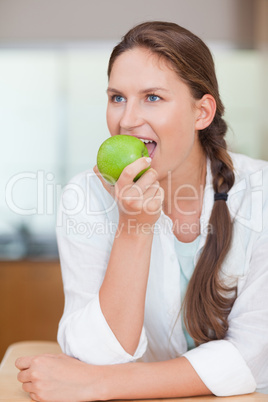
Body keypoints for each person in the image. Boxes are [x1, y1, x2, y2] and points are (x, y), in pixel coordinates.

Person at [16, 21, 268, 402]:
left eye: (152, 97)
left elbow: (254, 358)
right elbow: (93, 355)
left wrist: (101, 384)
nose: (127, 120)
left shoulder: (259, 193)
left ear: (202, 112)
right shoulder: (85, 196)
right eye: (117, 97)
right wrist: (135, 227)